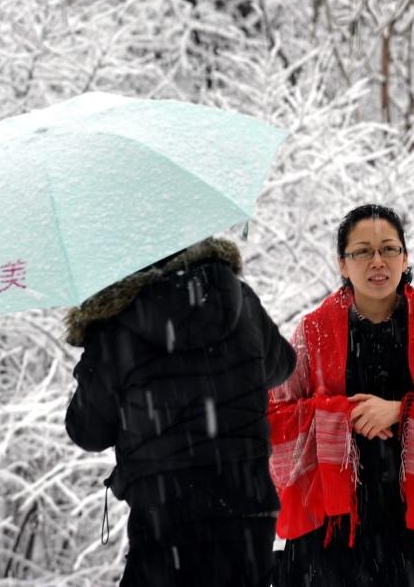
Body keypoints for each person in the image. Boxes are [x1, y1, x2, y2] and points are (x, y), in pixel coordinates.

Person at [269, 204, 414, 587]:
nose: (378, 261)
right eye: (362, 251)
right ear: (342, 264)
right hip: (327, 537)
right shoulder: (312, 334)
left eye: (389, 248)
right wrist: (338, 416)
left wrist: (404, 412)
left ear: (405, 258)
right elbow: (273, 419)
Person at [64, 236, 296, 587]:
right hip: (247, 515)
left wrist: (91, 362)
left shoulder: (116, 327)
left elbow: (87, 431)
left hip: (165, 523)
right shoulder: (238, 298)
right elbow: (282, 365)